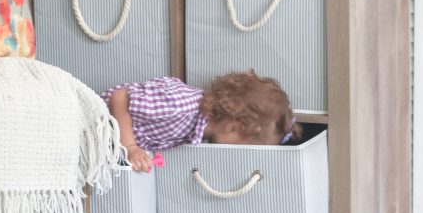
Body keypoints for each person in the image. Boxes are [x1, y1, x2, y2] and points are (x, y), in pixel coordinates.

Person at [102, 69, 300, 172]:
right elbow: (120, 97)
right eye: (246, 147)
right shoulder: (180, 107)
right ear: (233, 128)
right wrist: (130, 147)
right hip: (97, 127)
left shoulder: (195, 128)